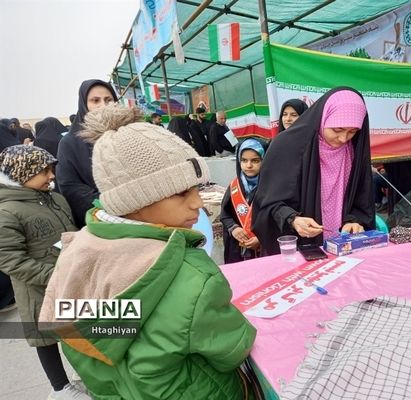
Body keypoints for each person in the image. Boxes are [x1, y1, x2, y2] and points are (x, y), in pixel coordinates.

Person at [39, 105, 257, 399]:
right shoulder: (191, 276)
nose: (198, 203)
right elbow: (233, 349)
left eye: (197, 188)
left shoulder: (75, 252)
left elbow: (86, 338)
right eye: (182, 193)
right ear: (136, 199)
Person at [0, 145, 84, 399]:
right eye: (44, 171)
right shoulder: (7, 212)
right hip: (37, 288)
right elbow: (10, 260)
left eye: (51, 170)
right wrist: (54, 276)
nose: (51, 176)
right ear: (21, 173)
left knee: (76, 326)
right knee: (45, 338)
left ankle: (84, 373)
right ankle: (60, 388)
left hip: (70, 278)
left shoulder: (56, 199)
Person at [252, 87, 375, 255]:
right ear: (323, 118)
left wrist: (354, 221)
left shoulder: (353, 150)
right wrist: (292, 219)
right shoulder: (286, 146)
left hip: (344, 247)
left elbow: (362, 198)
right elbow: (266, 202)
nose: (343, 138)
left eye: (352, 131)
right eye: (337, 130)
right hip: (300, 249)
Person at [56, 79, 117, 228]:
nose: (103, 105)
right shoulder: (70, 142)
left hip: (142, 212)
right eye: (95, 100)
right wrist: (114, 202)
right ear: (84, 104)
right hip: (101, 219)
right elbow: (70, 186)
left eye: (109, 100)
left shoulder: (126, 132)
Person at [221, 138, 266, 263]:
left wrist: (262, 239)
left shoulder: (271, 187)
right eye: (244, 160)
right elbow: (225, 215)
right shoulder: (234, 186)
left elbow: (276, 219)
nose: (249, 165)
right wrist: (233, 228)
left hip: (264, 249)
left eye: (255, 160)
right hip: (238, 248)